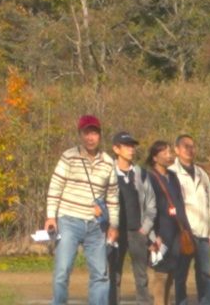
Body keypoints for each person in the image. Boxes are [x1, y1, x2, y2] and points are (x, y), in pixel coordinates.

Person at [45, 114, 126, 305]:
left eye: (94, 133)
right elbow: (55, 187)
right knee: (62, 272)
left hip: (96, 226)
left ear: (100, 135)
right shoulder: (69, 156)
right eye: (86, 133)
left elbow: (113, 197)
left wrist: (113, 225)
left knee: (101, 275)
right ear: (80, 135)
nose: (90, 137)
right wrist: (51, 217)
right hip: (68, 222)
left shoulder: (107, 162)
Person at [143, 141, 194, 305]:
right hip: (159, 235)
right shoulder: (148, 177)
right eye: (164, 152)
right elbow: (146, 209)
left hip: (176, 234)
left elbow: (180, 205)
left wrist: (186, 230)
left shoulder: (173, 176)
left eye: (169, 151)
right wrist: (151, 237)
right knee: (160, 277)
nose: (169, 155)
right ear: (155, 157)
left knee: (171, 275)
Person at [174, 135, 210, 305]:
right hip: (184, 233)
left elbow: (209, 204)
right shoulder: (173, 173)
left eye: (192, 146)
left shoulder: (202, 174)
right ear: (176, 150)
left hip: (202, 232)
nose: (189, 149)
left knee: (205, 274)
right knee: (180, 275)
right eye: (185, 146)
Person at [106, 132, 147, 305]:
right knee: (114, 275)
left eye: (133, 145)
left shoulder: (140, 174)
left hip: (137, 230)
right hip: (116, 231)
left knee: (142, 276)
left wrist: (146, 228)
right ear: (116, 149)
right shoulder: (108, 173)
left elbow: (149, 203)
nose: (131, 149)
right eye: (127, 145)